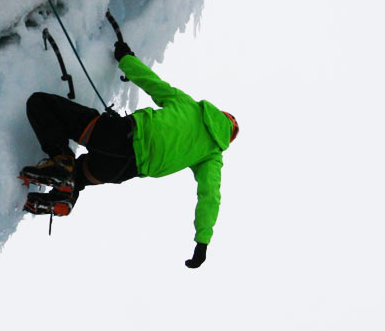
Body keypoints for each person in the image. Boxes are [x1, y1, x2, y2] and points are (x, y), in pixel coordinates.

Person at [19, 39, 239, 269]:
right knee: (81, 175)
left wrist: (125, 58)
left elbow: (152, 83)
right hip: (123, 170)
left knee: (41, 104)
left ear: (219, 113)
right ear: (227, 140)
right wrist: (202, 243)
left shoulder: (192, 107)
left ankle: (61, 162)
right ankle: (65, 194)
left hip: (120, 137)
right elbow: (210, 197)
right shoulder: (211, 157)